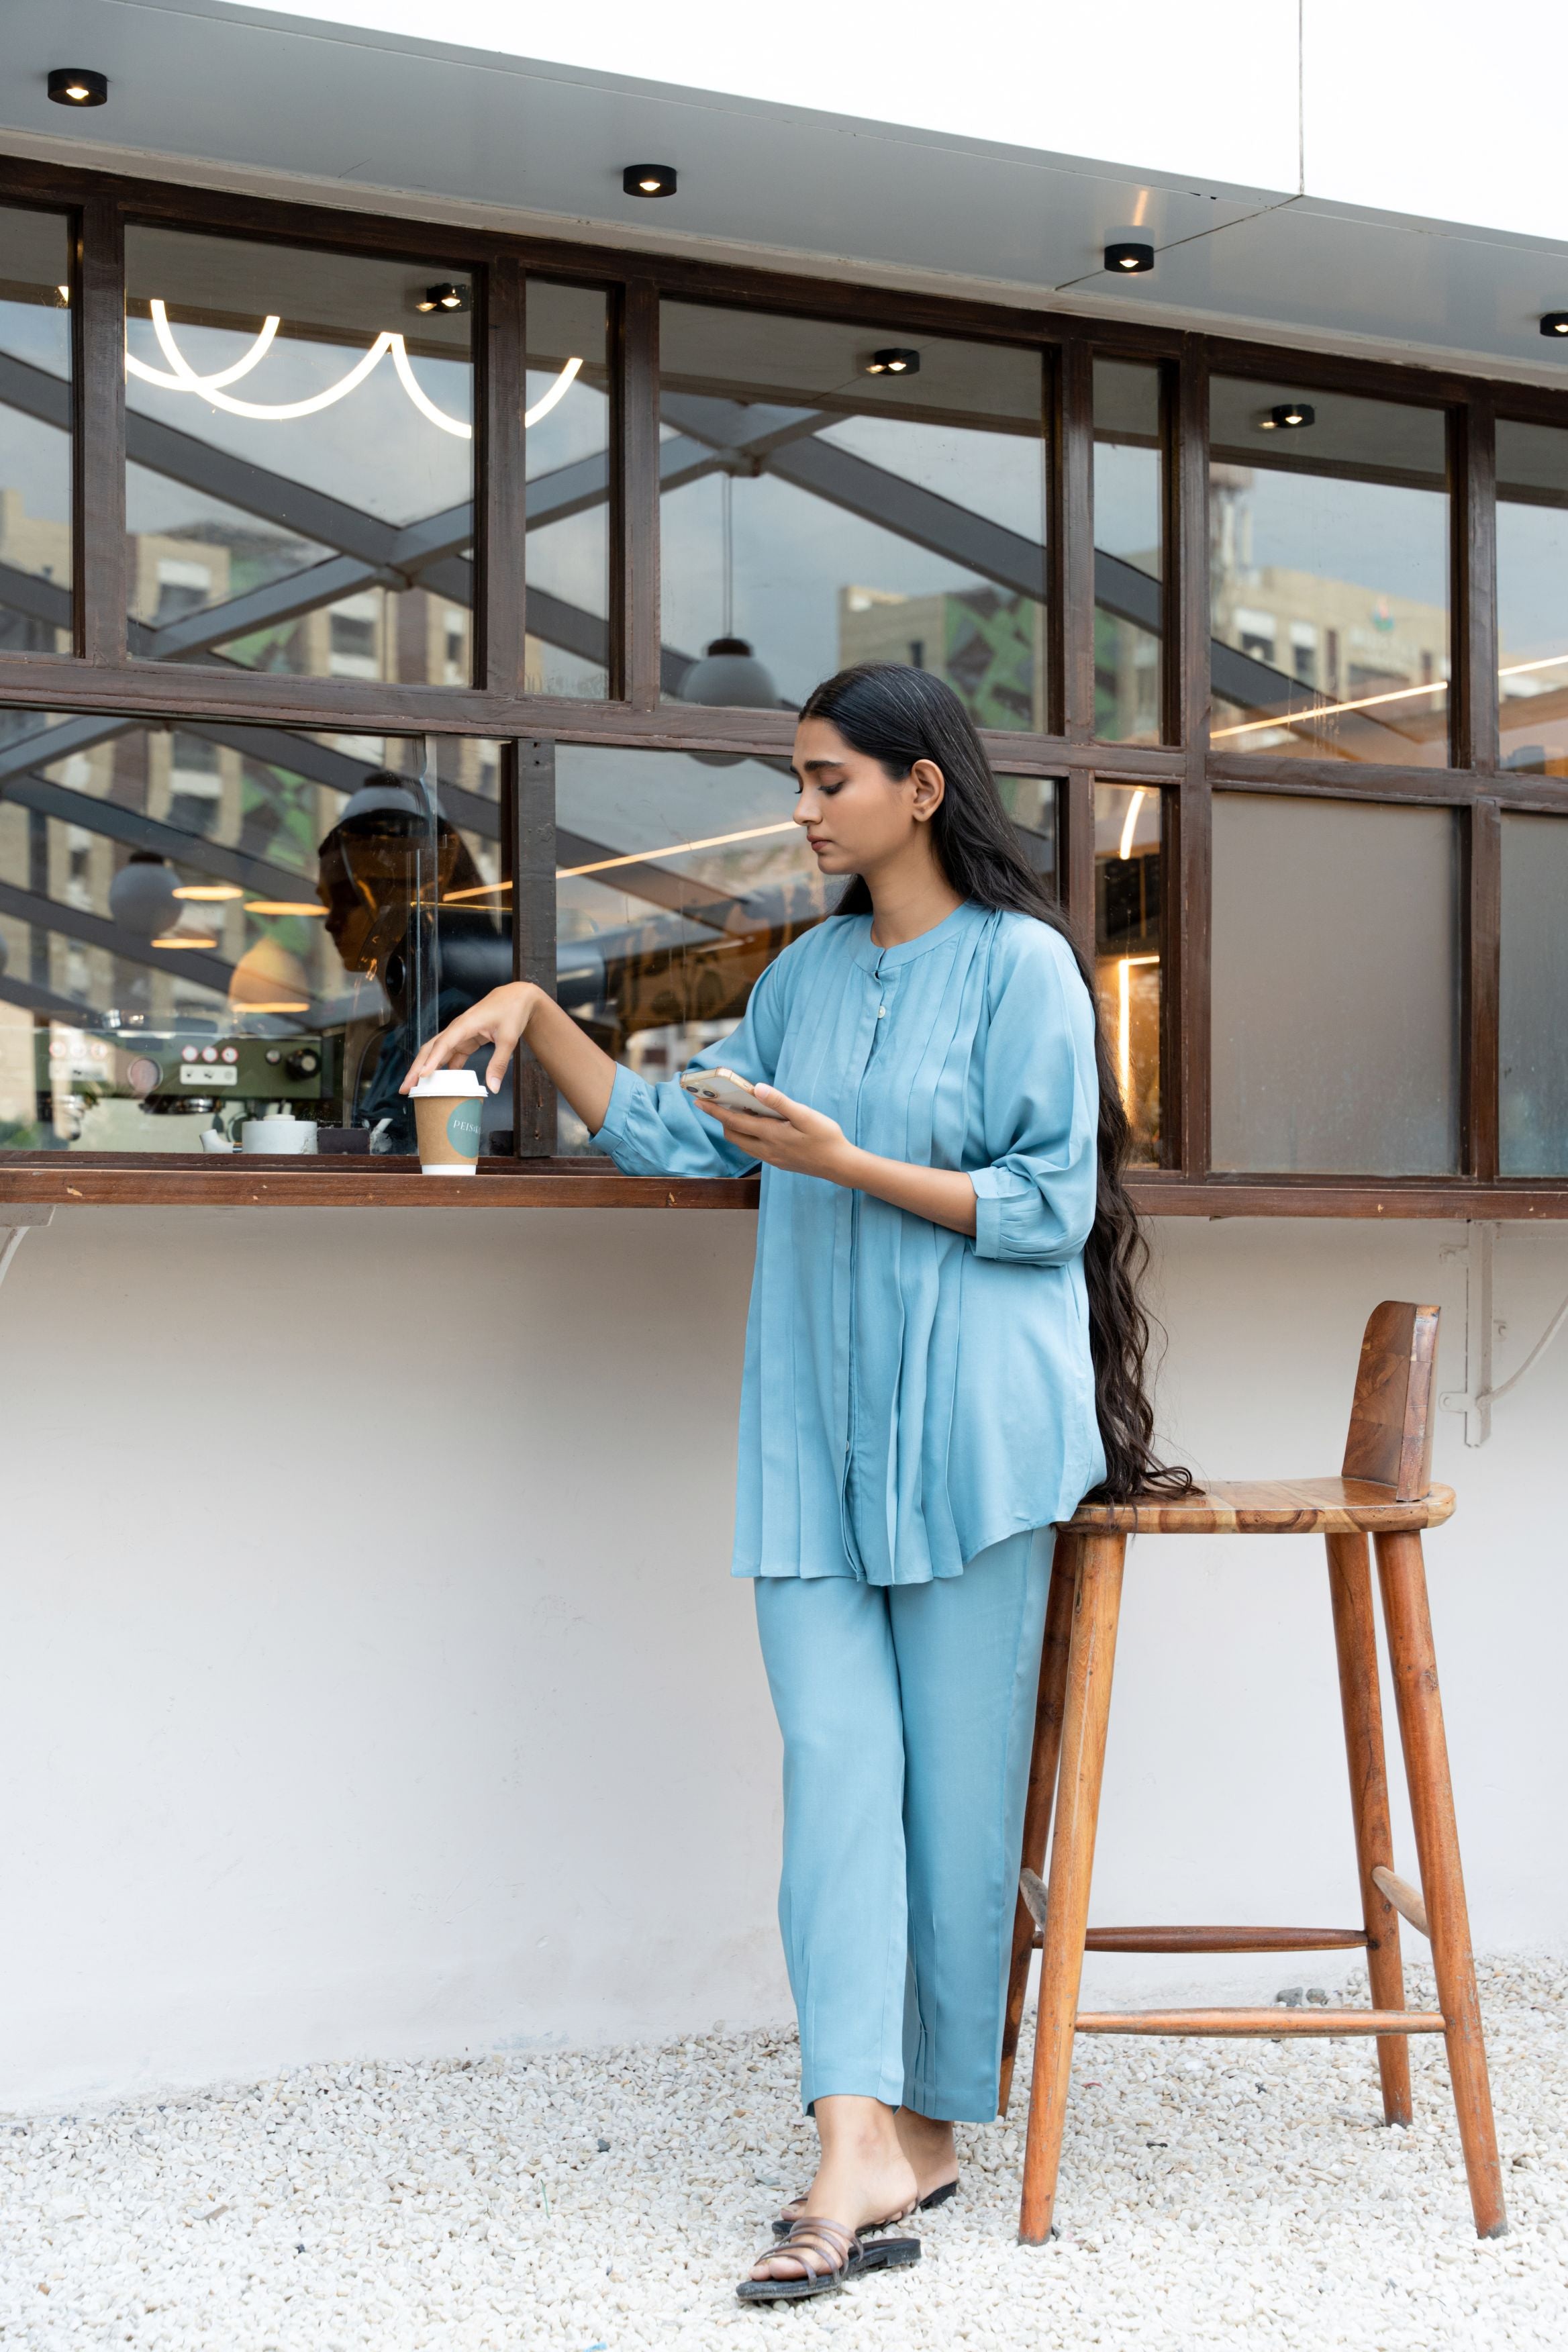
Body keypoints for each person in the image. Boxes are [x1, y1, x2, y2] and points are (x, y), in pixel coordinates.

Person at [403, 664, 1184, 2305]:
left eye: (827, 778)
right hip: (810, 1443)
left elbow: (1048, 1199)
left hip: (976, 1444)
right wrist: (539, 1017)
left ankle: (930, 2128)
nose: (803, 804)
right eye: (799, 776)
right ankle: (850, 2141)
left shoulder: (1025, 967)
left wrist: (842, 1163)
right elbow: (687, 1138)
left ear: (919, 789)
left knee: (956, 1810)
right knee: (835, 1774)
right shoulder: (804, 978)